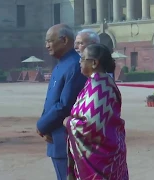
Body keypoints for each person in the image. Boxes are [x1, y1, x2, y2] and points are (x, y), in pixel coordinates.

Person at [63, 43, 129, 180]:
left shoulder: (98, 86)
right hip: (110, 151)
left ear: (94, 63)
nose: (79, 62)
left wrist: (69, 122)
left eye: (82, 58)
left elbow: (91, 126)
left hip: (101, 160)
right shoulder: (98, 82)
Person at [36, 24, 87, 180]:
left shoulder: (74, 65)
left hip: (66, 138)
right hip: (56, 136)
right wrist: (46, 128)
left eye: (50, 41)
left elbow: (65, 105)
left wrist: (42, 125)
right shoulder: (63, 64)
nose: (47, 45)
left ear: (64, 40)